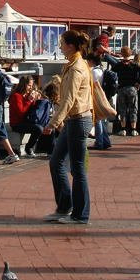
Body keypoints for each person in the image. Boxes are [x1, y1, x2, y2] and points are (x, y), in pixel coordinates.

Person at [43, 29, 93, 225]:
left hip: (78, 119)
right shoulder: (72, 64)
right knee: (56, 162)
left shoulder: (76, 68)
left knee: (77, 168)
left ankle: (81, 214)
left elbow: (68, 100)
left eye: (63, 43)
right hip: (73, 120)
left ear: (71, 46)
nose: (61, 46)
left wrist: (53, 122)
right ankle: (65, 206)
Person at [114, 47, 140, 136]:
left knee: (122, 109)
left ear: (121, 54)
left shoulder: (118, 65)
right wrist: (139, 83)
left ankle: (123, 129)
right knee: (133, 109)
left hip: (121, 88)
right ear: (130, 54)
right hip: (132, 89)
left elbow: (112, 73)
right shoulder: (134, 65)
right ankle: (133, 129)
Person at [7, 77, 43, 156]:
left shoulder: (27, 95)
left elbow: (31, 110)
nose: (31, 88)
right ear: (24, 85)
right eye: (29, 85)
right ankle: (29, 148)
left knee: (44, 124)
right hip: (16, 124)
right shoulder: (16, 96)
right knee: (38, 129)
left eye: (32, 86)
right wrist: (29, 100)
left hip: (25, 121)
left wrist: (36, 100)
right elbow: (21, 112)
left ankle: (46, 148)